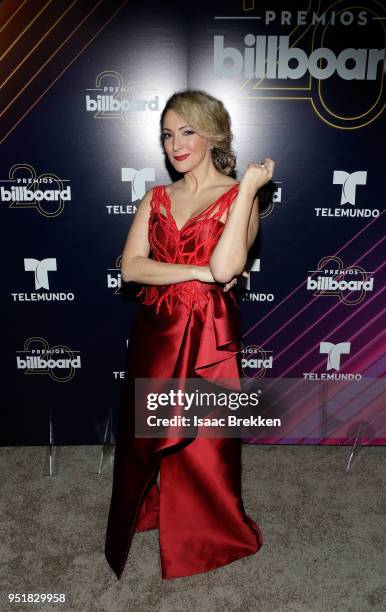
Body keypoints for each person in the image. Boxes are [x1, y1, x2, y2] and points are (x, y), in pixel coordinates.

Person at [105, 89, 275, 580]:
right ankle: (146, 508)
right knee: (145, 433)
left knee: (205, 440)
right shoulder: (156, 197)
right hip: (157, 329)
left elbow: (227, 266)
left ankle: (208, 532)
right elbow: (132, 269)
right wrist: (196, 273)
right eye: (167, 134)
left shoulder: (237, 198)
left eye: (187, 132)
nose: (175, 144)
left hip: (208, 337)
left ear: (212, 136)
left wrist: (247, 189)